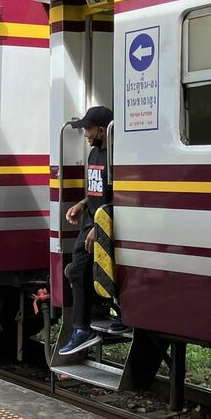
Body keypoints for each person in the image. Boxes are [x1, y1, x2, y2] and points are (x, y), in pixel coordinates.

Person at [58, 106, 124, 357]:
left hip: (103, 225)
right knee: (79, 271)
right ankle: (83, 328)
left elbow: (118, 194)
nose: (85, 133)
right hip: (90, 222)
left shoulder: (115, 156)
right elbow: (97, 190)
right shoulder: (95, 154)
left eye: (88, 128)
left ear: (102, 129)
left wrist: (100, 228)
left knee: (102, 271)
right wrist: (82, 203)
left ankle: (91, 325)